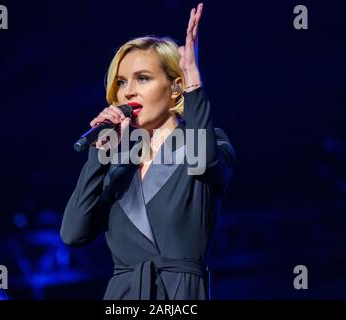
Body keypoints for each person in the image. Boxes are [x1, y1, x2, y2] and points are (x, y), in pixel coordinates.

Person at [60, 3, 235, 300]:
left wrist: (193, 79)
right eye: (121, 82)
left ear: (176, 87)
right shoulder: (119, 162)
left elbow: (202, 162)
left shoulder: (211, 142)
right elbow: (73, 234)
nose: (128, 92)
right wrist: (99, 156)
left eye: (143, 78)